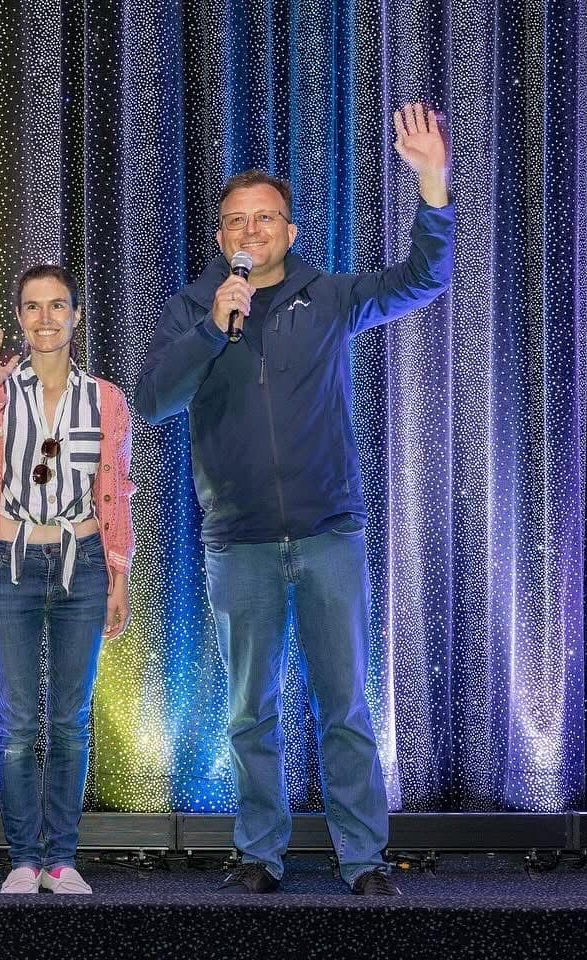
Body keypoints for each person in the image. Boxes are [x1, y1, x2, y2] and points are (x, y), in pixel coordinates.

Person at [134, 102, 454, 896]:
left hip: (327, 533)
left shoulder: (331, 298)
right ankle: (259, 854)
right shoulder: (192, 309)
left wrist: (431, 183)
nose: (251, 230)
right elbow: (153, 400)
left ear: (290, 231)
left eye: (265, 218)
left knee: (344, 706)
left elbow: (424, 279)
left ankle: (364, 860)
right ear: (221, 239)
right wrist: (212, 329)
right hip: (237, 542)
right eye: (236, 221)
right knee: (251, 711)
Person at [0, 264, 136, 895]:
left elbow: (116, 491)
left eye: (58, 306)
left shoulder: (105, 398)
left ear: (75, 316)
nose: (46, 318)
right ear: (20, 318)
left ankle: (62, 859)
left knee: (71, 720)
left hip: (83, 564)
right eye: (33, 306)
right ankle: (24, 859)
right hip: (8, 567)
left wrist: (119, 573)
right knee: (19, 722)